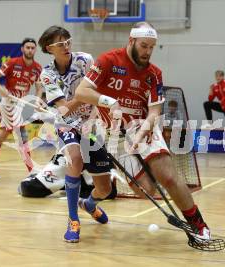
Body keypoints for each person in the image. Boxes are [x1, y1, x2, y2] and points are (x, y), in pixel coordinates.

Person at [75, 22, 212, 243]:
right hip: (113, 135)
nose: (148, 52)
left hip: (142, 126)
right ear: (131, 41)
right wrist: (110, 102)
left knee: (168, 176)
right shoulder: (108, 60)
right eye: (144, 46)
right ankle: (92, 200)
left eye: (152, 47)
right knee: (145, 191)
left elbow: (155, 111)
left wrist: (142, 133)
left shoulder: (154, 74)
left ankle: (199, 224)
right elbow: (82, 91)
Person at [38, 26, 114, 243]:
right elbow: (62, 109)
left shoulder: (85, 60)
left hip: (92, 121)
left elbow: (99, 95)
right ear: (49, 49)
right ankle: (73, 220)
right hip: (66, 124)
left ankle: (88, 204)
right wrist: (83, 95)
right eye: (60, 43)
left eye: (68, 41)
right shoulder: (48, 74)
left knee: (105, 188)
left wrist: (91, 120)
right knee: (75, 159)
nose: (66, 46)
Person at [0, 38, 42, 179]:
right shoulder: (12, 62)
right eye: (27, 47)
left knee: (2, 135)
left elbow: (39, 88)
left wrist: (37, 100)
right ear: (22, 49)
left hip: (20, 103)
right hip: (9, 103)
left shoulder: (37, 68)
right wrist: (1, 91)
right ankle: (31, 169)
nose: (30, 50)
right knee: (22, 134)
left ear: (35, 49)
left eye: (32, 47)